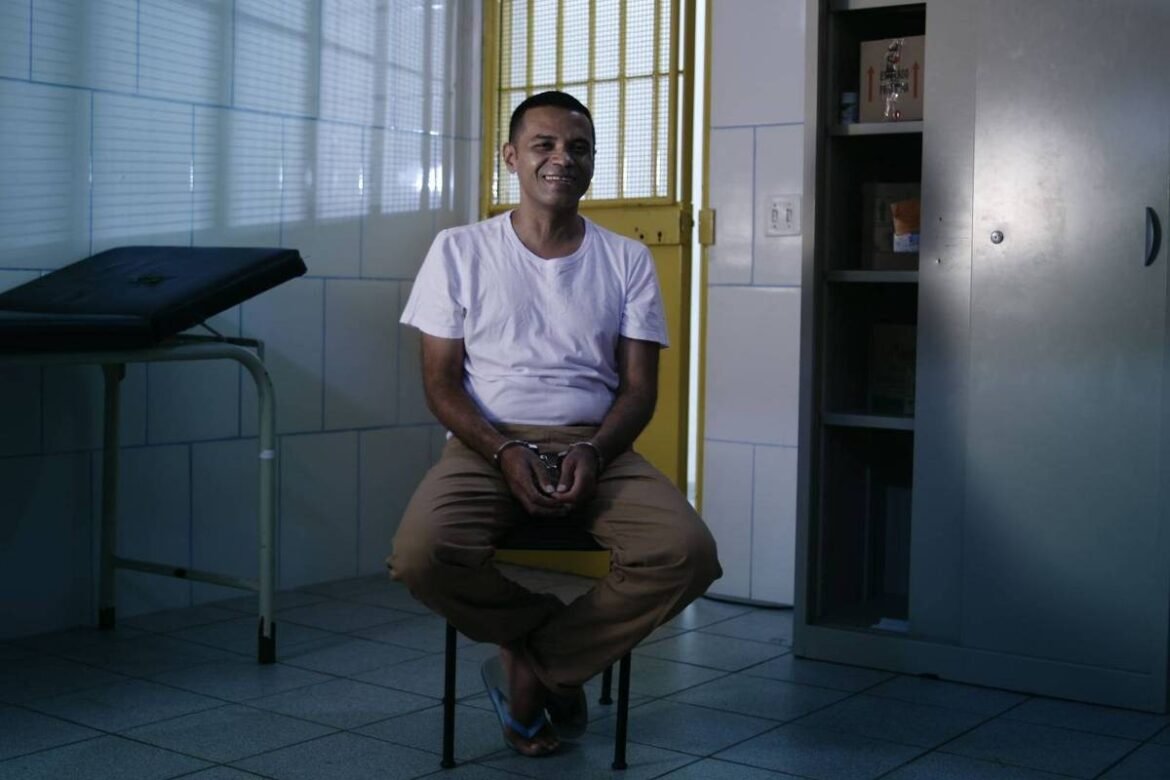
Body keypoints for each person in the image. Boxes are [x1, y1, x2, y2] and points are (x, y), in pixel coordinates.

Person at [388, 90, 721, 757]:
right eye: (544, 144)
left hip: (595, 444)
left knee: (686, 553)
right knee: (421, 555)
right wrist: (503, 449)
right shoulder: (459, 250)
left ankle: (535, 668)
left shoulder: (626, 259)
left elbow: (638, 391)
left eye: (579, 148)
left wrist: (594, 452)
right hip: (486, 441)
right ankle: (541, 640)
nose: (562, 158)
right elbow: (440, 384)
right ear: (511, 157)